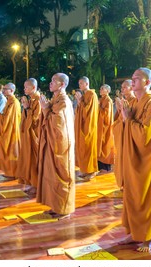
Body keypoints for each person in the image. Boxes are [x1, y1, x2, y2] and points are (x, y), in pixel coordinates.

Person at [114, 67, 151, 253]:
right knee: (132, 196)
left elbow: (145, 134)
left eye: (136, 79)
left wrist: (128, 120)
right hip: (132, 157)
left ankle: (148, 237)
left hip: (146, 161)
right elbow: (125, 126)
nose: (132, 82)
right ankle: (134, 232)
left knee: (146, 196)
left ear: (146, 82)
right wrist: (124, 119)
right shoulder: (134, 102)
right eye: (132, 78)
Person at [37, 73, 75, 219]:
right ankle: (55, 205)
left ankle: (65, 208)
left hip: (61, 145)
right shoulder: (55, 100)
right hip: (52, 143)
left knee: (61, 174)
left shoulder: (64, 101)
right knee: (51, 174)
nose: (51, 83)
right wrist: (46, 108)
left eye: (54, 81)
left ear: (62, 84)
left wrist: (46, 109)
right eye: (51, 80)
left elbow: (58, 123)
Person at [0, 82, 21, 178]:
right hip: (8, 129)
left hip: (11, 131)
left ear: (11, 90)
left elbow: (7, 119)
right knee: (8, 150)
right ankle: (9, 171)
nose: (3, 90)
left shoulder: (14, 102)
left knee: (12, 150)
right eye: (3, 88)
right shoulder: (9, 101)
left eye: (5, 89)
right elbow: (5, 116)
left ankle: (13, 172)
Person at [113, 79, 137, 190]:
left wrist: (124, 116)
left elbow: (131, 120)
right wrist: (119, 110)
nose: (122, 89)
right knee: (121, 158)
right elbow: (119, 120)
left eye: (124, 87)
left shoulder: (135, 101)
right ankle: (123, 182)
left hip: (130, 136)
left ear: (131, 88)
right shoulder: (124, 101)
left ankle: (129, 183)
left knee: (129, 159)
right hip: (122, 134)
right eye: (121, 87)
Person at [17, 78, 41, 188]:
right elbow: (25, 118)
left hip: (34, 135)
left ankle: (37, 184)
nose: (24, 89)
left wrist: (27, 108)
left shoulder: (39, 100)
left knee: (35, 160)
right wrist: (26, 108)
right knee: (28, 159)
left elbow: (36, 120)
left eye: (26, 87)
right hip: (27, 135)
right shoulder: (31, 99)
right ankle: (31, 182)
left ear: (33, 87)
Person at [74, 76, 99, 180]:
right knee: (83, 148)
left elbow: (88, 111)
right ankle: (85, 169)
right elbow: (80, 110)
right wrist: (79, 102)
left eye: (81, 83)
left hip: (89, 126)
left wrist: (80, 101)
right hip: (82, 125)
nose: (79, 85)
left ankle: (92, 170)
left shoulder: (92, 94)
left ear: (86, 83)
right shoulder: (85, 95)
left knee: (89, 148)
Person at [97, 84, 115, 173]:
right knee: (99, 146)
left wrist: (98, 108)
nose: (100, 90)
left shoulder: (108, 101)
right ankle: (100, 167)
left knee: (105, 146)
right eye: (100, 88)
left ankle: (106, 167)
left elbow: (106, 115)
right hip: (100, 127)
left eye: (102, 89)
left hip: (106, 128)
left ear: (108, 91)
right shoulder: (101, 100)